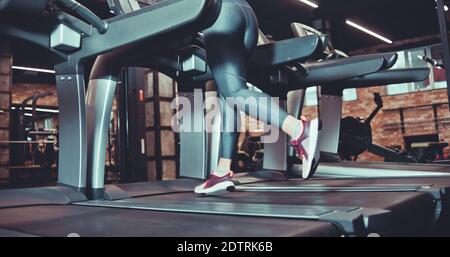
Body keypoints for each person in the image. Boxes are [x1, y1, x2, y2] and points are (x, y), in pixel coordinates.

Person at [194, 0, 320, 195]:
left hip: (220, 15)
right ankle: (222, 171)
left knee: (235, 92)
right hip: (245, 14)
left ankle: (298, 129)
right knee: (228, 95)